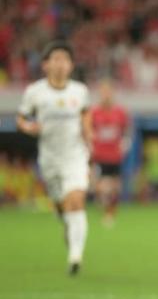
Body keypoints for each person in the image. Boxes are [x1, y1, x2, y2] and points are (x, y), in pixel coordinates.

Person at [16, 40, 93, 275]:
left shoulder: (79, 91)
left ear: (71, 65)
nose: (61, 64)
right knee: (62, 207)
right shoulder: (35, 92)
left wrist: (89, 135)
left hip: (75, 156)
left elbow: (86, 115)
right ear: (45, 65)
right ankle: (67, 222)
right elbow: (21, 118)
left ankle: (75, 257)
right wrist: (28, 127)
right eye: (56, 59)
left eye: (65, 59)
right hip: (49, 160)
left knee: (76, 200)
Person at [90, 80, 130, 227]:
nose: (106, 95)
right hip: (99, 156)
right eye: (103, 92)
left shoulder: (120, 112)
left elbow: (126, 131)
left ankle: (110, 214)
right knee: (101, 186)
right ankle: (103, 205)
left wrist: (125, 144)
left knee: (115, 187)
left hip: (115, 156)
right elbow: (88, 131)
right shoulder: (94, 112)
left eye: (108, 92)